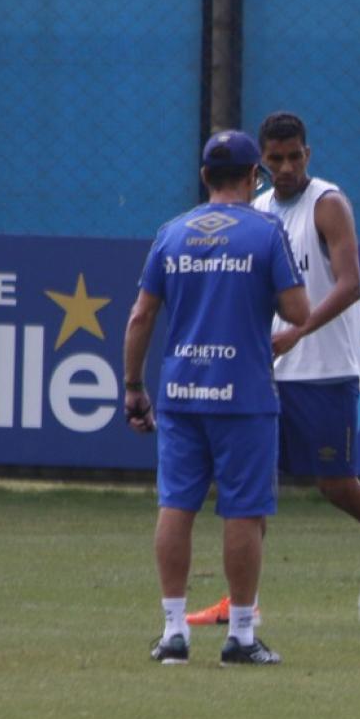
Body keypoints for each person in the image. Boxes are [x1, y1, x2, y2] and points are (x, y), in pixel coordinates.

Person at [184, 112, 360, 630]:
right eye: (275, 159)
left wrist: (298, 332)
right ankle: (243, 603)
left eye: (293, 157)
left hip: (325, 369)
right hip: (266, 373)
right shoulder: (255, 212)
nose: (285, 167)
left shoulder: (327, 204)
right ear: (260, 162)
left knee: (338, 485)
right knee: (249, 484)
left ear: (308, 154)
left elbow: (350, 285)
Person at [125, 130, 310, 666]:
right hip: (245, 395)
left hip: (181, 392)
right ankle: (242, 637)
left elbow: (141, 316)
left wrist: (135, 387)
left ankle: (174, 632)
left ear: (205, 177)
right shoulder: (266, 231)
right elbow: (298, 312)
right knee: (243, 511)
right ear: (255, 176)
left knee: (175, 505)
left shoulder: (171, 234)